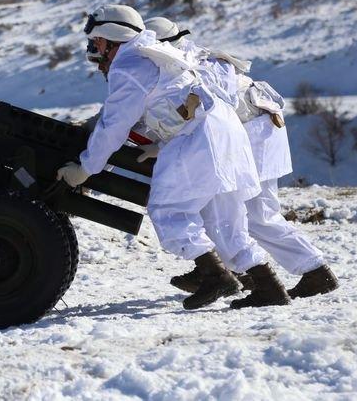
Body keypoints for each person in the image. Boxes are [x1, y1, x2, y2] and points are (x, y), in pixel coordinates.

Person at [57, 4, 290, 309]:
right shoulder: (151, 54)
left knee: (167, 208)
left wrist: (85, 168)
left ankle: (215, 276)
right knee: (225, 222)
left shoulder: (130, 67)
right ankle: (269, 287)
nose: (95, 51)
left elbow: (113, 126)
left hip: (196, 136)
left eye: (97, 43)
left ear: (112, 37)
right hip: (224, 130)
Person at [145, 17, 338, 303]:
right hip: (256, 127)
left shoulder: (192, 63)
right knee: (226, 207)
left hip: (253, 131)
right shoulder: (192, 58)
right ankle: (222, 270)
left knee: (255, 214)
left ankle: (314, 271)